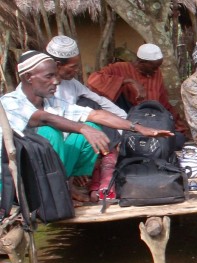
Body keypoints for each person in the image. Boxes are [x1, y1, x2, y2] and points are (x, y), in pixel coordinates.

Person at [0, 51, 172, 200]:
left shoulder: (52, 103)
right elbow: (44, 118)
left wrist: (139, 128)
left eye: (55, 75)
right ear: (28, 77)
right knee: (51, 132)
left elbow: (95, 114)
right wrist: (83, 128)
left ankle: (63, 187)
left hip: (43, 172)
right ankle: (52, 193)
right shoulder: (10, 102)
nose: (56, 82)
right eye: (49, 76)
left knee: (91, 129)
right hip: (16, 178)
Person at [45, 35, 127, 202]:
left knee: (91, 107)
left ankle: (85, 175)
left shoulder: (71, 83)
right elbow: (56, 126)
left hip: (72, 138)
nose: (76, 71)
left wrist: (125, 119)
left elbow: (99, 101)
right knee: (88, 127)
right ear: (58, 65)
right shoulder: (43, 86)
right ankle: (70, 182)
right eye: (73, 67)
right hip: (52, 146)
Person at [87, 43, 187, 133]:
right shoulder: (119, 68)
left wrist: (175, 122)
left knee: (177, 139)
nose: (156, 70)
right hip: (127, 118)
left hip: (151, 118)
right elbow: (94, 80)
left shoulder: (156, 74)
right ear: (141, 62)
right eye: (154, 67)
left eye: (158, 67)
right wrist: (129, 81)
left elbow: (163, 101)